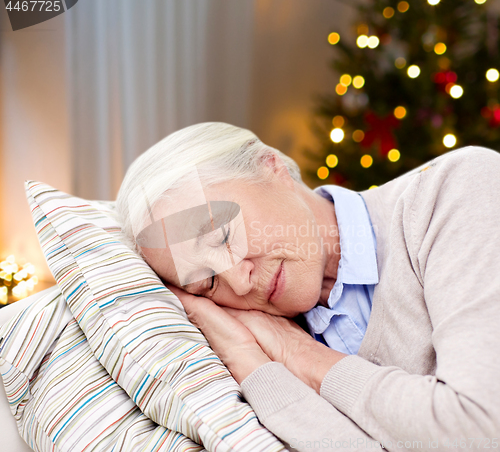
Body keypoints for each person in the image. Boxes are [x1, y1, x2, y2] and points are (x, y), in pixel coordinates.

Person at [116, 122, 500, 451]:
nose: (238, 279)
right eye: (208, 282)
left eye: (221, 236)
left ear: (270, 167)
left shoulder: (455, 191)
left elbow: (481, 432)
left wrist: (299, 354)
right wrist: (250, 363)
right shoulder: (256, 350)